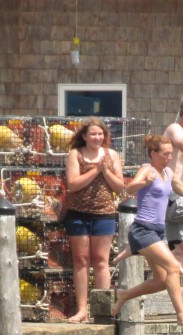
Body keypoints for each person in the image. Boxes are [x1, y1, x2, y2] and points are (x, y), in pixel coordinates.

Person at [111, 135, 183, 328]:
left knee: (161, 281)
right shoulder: (146, 169)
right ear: (153, 153)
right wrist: (143, 182)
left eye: (171, 154)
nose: (169, 158)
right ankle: (181, 315)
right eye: (165, 154)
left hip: (159, 232)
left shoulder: (168, 172)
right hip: (143, 230)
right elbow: (128, 189)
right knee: (173, 268)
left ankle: (124, 295)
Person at [113, 93, 183, 275]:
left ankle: (167, 262)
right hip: (168, 196)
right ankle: (171, 250)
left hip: (182, 194)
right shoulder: (174, 129)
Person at [63, 117, 124, 323]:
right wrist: (94, 170)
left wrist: (104, 170)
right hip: (78, 213)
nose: (97, 138)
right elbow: (72, 184)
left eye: (100, 134)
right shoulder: (75, 154)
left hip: (104, 213)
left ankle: (102, 309)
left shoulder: (112, 155)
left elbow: (119, 186)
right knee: (80, 260)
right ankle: (82, 309)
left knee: (101, 260)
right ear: (84, 136)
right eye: (93, 134)